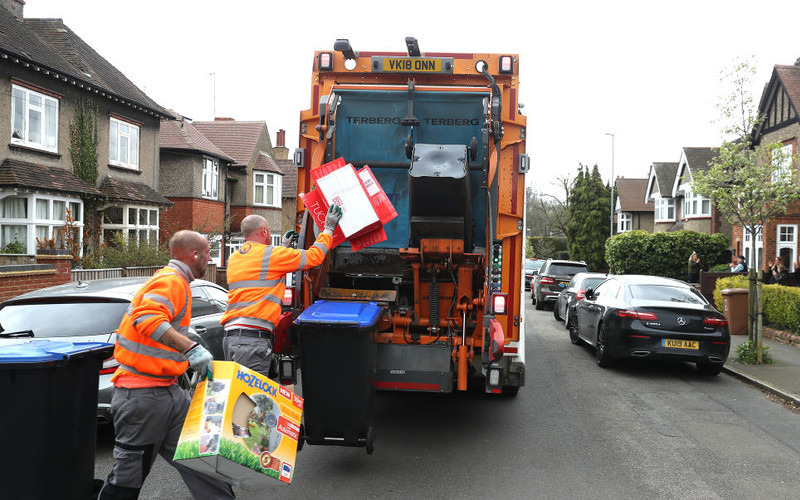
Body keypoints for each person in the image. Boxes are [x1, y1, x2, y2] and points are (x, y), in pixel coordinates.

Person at [99, 230, 235, 499]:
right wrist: (191, 349)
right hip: (142, 396)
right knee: (128, 477)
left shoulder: (177, 282)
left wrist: (187, 348)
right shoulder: (171, 281)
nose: (210, 258)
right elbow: (146, 317)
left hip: (167, 392)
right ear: (194, 255)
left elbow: (159, 327)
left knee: (205, 464)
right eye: (208, 253)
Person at [221, 205, 343, 377]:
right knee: (251, 399)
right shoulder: (273, 255)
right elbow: (314, 257)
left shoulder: (235, 257)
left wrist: (285, 245)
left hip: (231, 338)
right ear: (264, 231)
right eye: (269, 231)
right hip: (252, 340)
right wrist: (329, 228)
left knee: (239, 394)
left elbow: (262, 270)